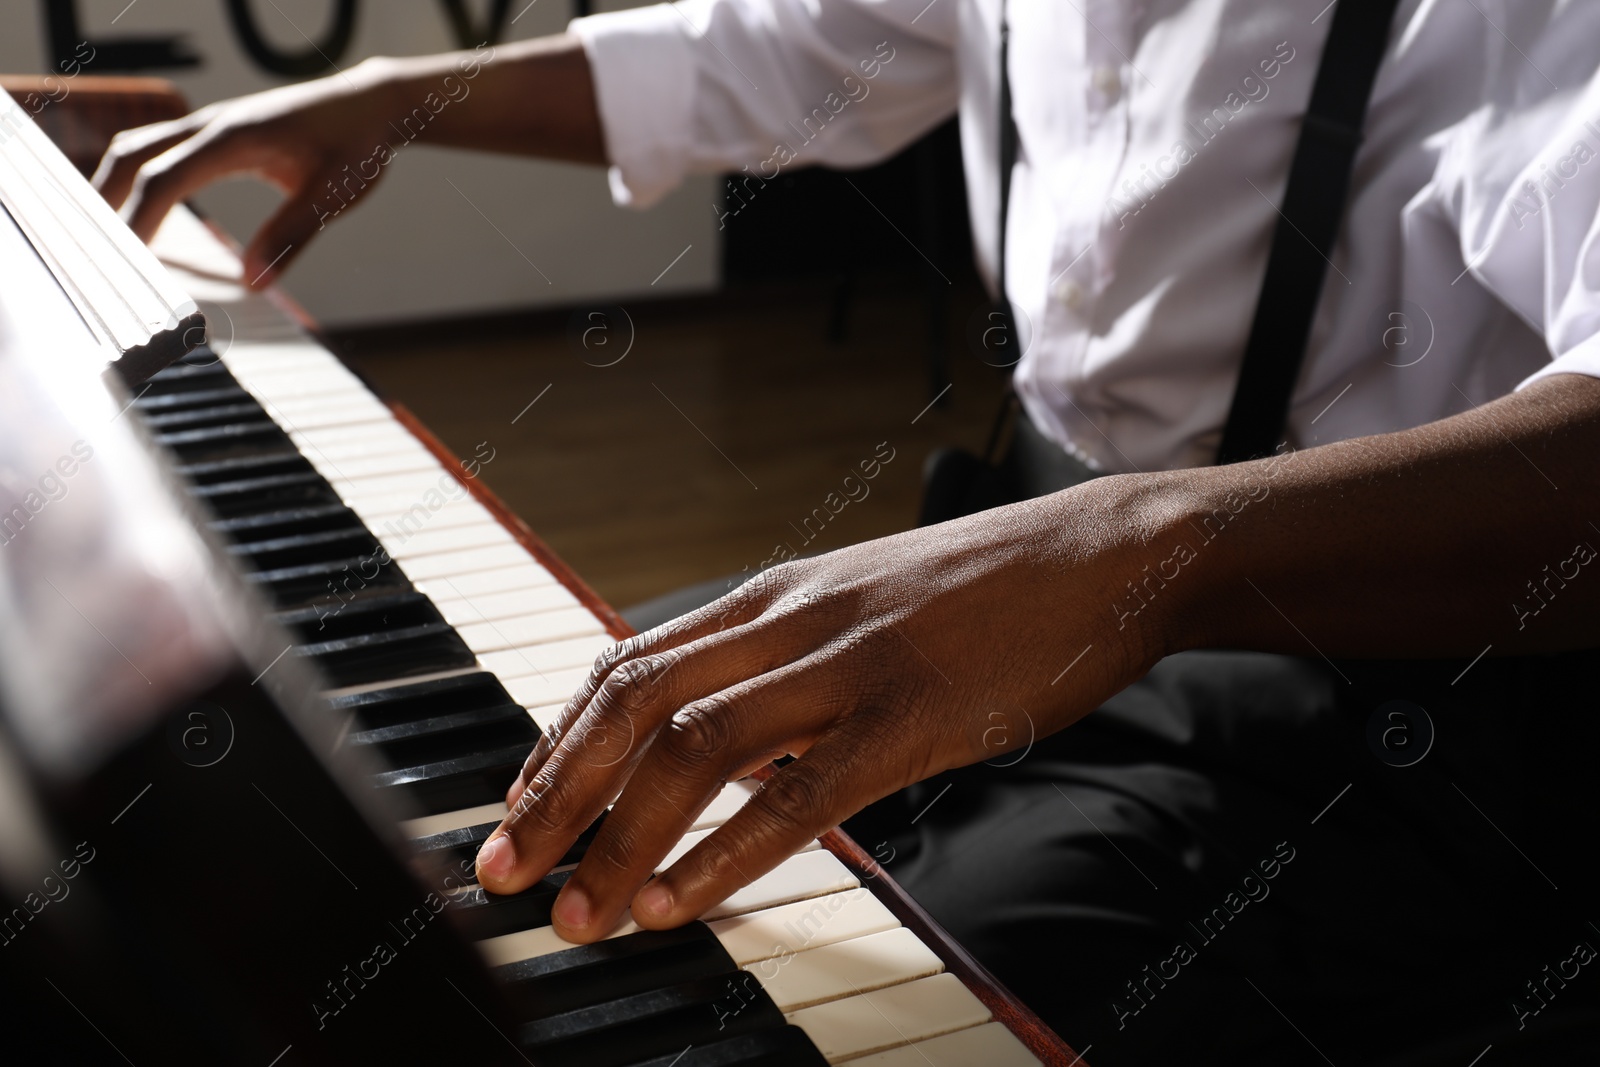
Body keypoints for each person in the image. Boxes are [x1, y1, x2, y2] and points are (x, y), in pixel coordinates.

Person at [95, 2, 1600, 1062]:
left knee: (900, 990)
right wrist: (393, 99)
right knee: (518, 759)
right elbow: (790, 46)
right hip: (1030, 533)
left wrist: (1143, 553)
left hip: (1380, 694)